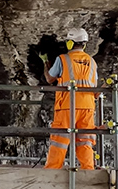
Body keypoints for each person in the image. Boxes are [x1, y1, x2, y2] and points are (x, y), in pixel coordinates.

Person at [40, 28, 98, 170]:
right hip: (87, 107)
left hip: (67, 105)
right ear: (84, 44)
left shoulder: (63, 59)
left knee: (59, 140)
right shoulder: (92, 62)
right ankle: (88, 172)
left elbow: (49, 79)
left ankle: (52, 171)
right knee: (84, 141)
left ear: (70, 44)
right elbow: (95, 88)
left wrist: (45, 63)